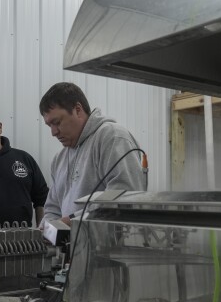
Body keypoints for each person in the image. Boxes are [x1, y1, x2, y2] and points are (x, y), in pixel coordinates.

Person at [39, 82, 147, 226]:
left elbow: (124, 198)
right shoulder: (59, 159)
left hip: (108, 246)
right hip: (72, 247)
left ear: (78, 110)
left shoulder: (112, 138)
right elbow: (52, 209)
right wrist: (45, 230)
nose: (53, 132)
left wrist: (71, 222)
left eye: (57, 122)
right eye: (49, 126)